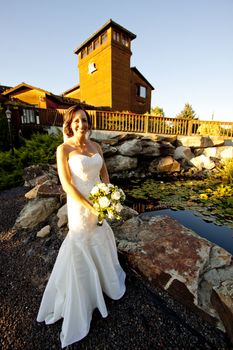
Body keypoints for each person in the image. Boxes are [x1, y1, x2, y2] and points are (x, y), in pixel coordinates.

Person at [37, 105, 126, 348]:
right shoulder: (63, 149)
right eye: (76, 121)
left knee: (101, 238)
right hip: (79, 205)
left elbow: (105, 174)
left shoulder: (96, 146)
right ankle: (83, 298)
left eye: (84, 120)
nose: (81, 125)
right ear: (69, 124)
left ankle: (106, 284)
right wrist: (91, 207)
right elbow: (67, 185)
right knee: (81, 242)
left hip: (99, 201)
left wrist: (107, 197)